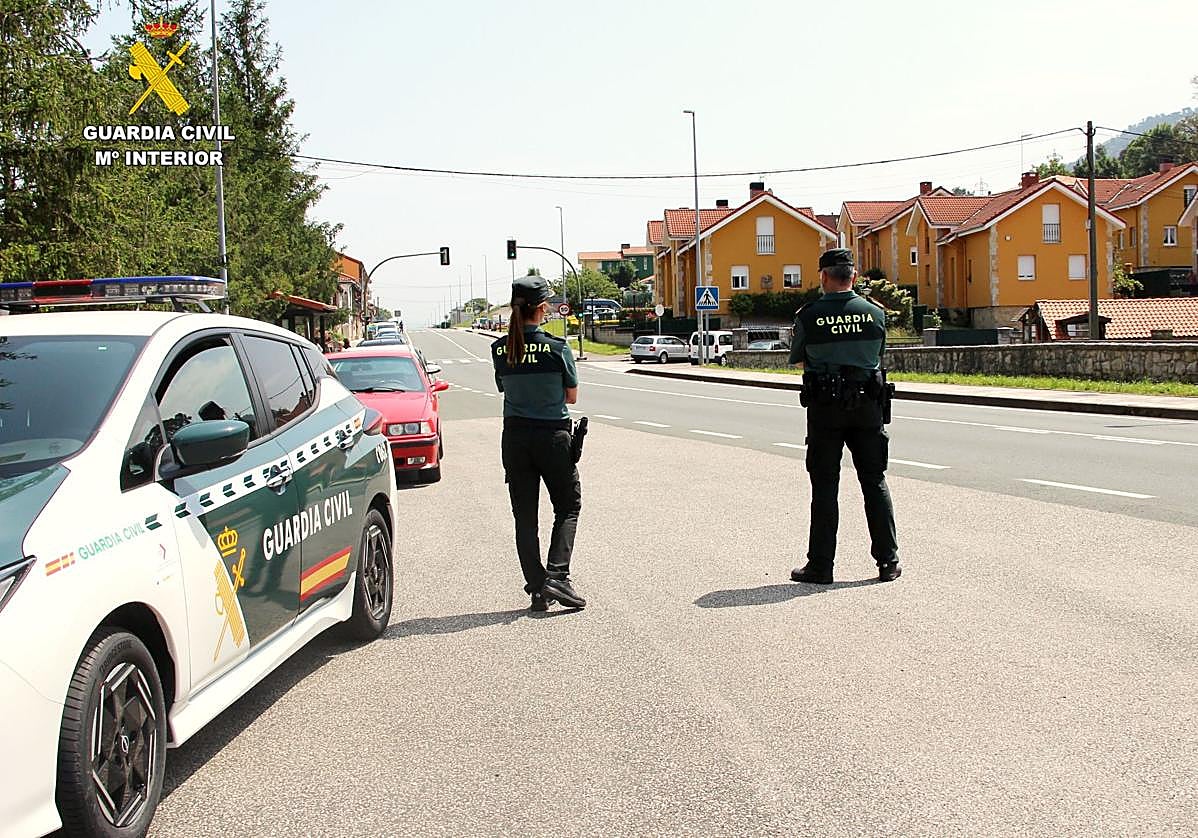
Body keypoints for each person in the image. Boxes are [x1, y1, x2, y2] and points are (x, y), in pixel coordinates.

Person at [788, 248, 900, 584]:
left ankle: (821, 566)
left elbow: (798, 358)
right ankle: (888, 562)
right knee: (874, 481)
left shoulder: (809, 315)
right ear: (854, 276)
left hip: (826, 408)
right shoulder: (875, 314)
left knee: (825, 487)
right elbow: (877, 355)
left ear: (823, 276)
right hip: (868, 406)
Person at [491, 275, 586, 611]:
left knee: (525, 516)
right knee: (568, 506)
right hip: (552, 437)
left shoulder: (500, 348)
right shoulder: (558, 348)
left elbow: (506, 387)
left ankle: (537, 587)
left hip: (515, 438)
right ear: (543, 307)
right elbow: (571, 396)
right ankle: (557, 576)